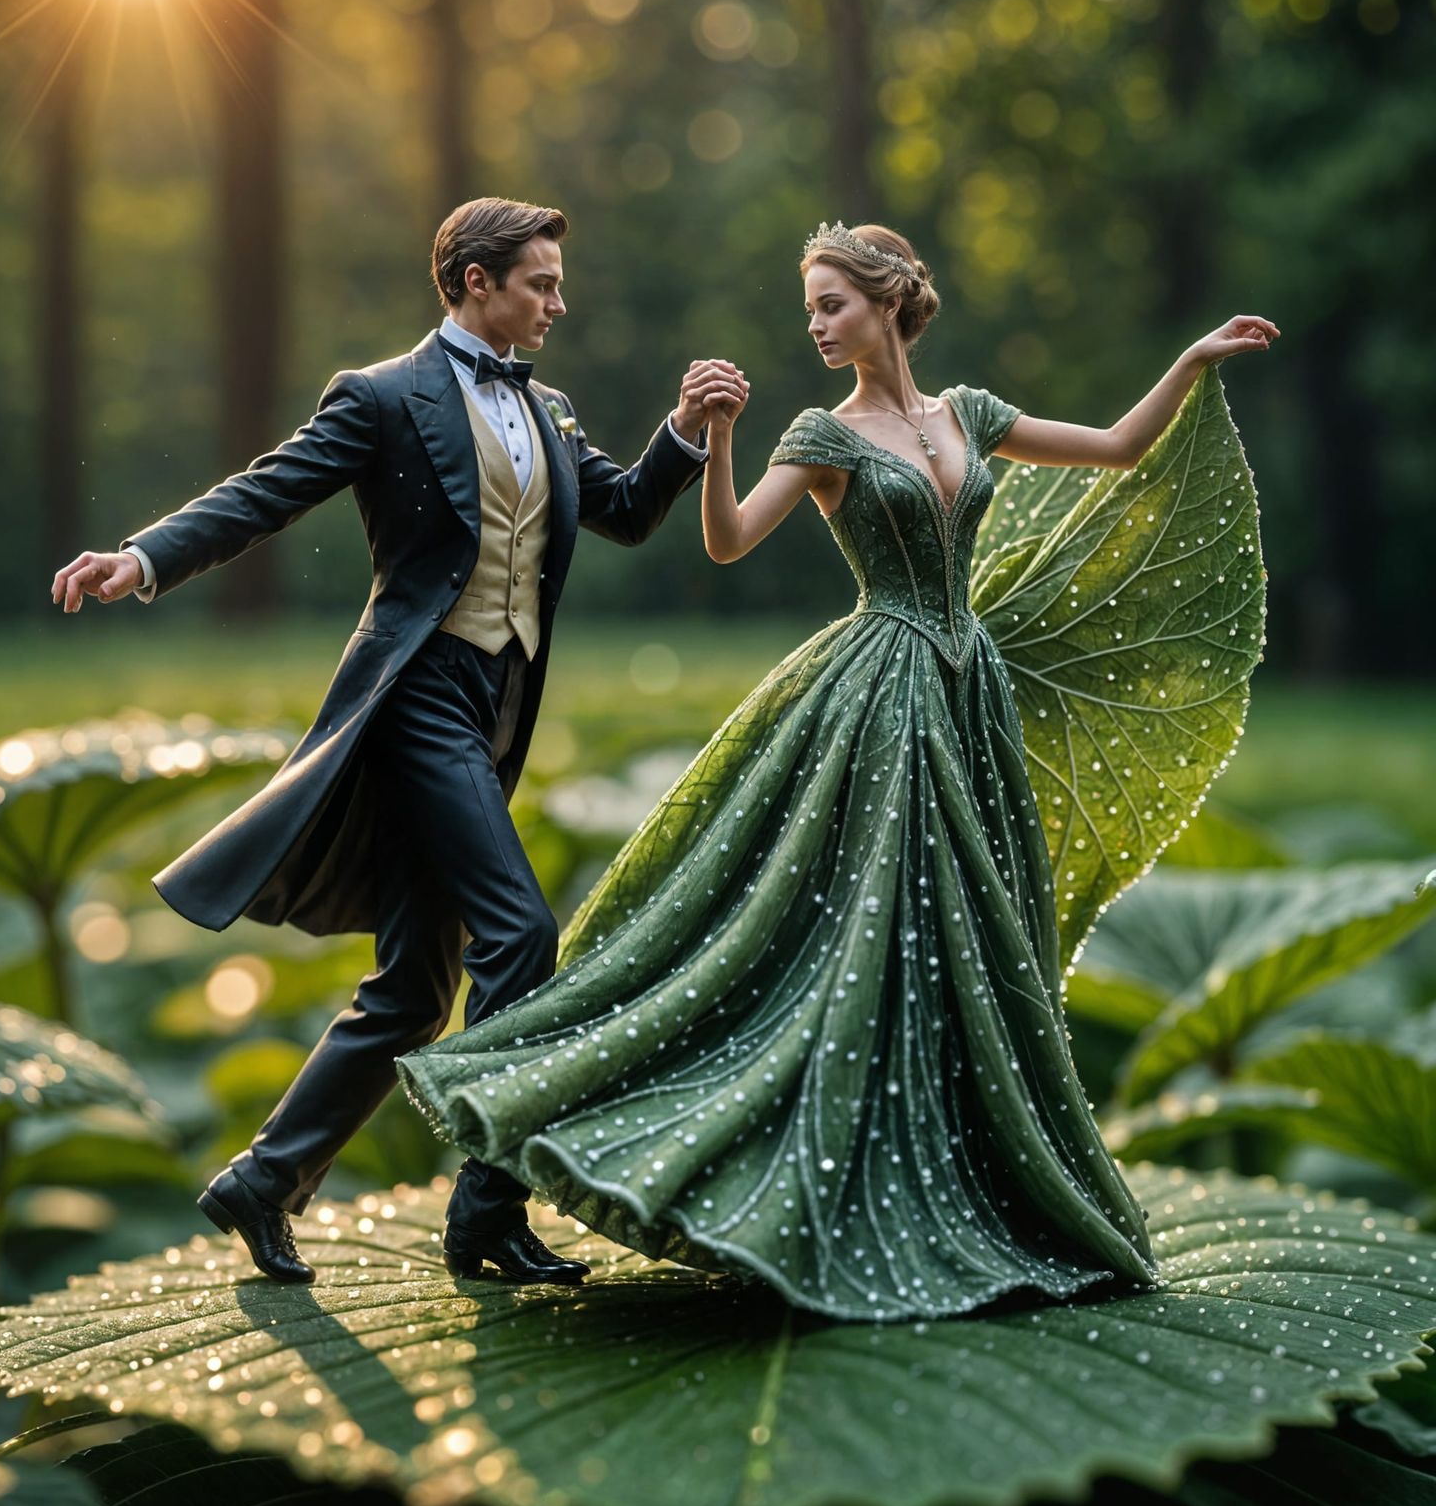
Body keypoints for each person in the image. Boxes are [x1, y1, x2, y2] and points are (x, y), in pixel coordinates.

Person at [395, 219, 1279, 1320]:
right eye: (808, 308)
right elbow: (725, 540)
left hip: (971, 689)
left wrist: (1190, 361)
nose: (814, 325)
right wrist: (718, 438)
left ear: (888, 297)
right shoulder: (823, 432)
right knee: (862, 935)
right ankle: (795, 1185)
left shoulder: (968, 415)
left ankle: (975, 1178)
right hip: (883, 691)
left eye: (830, 304)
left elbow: (1113, 448)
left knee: (972, 938)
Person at [50, 196, 750, 1288]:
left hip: (494, 704)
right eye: (540, 283)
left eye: (559, 283)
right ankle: (486, 1211)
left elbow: (619, 509)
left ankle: (265, 1180)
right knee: (520, 938)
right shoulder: (382, 397)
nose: (559, 301)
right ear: (474, 281)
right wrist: (138, 559)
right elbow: (264, 495)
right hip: (417, 692)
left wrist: (683, 431)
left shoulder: (550, 408)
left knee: (417, 991)